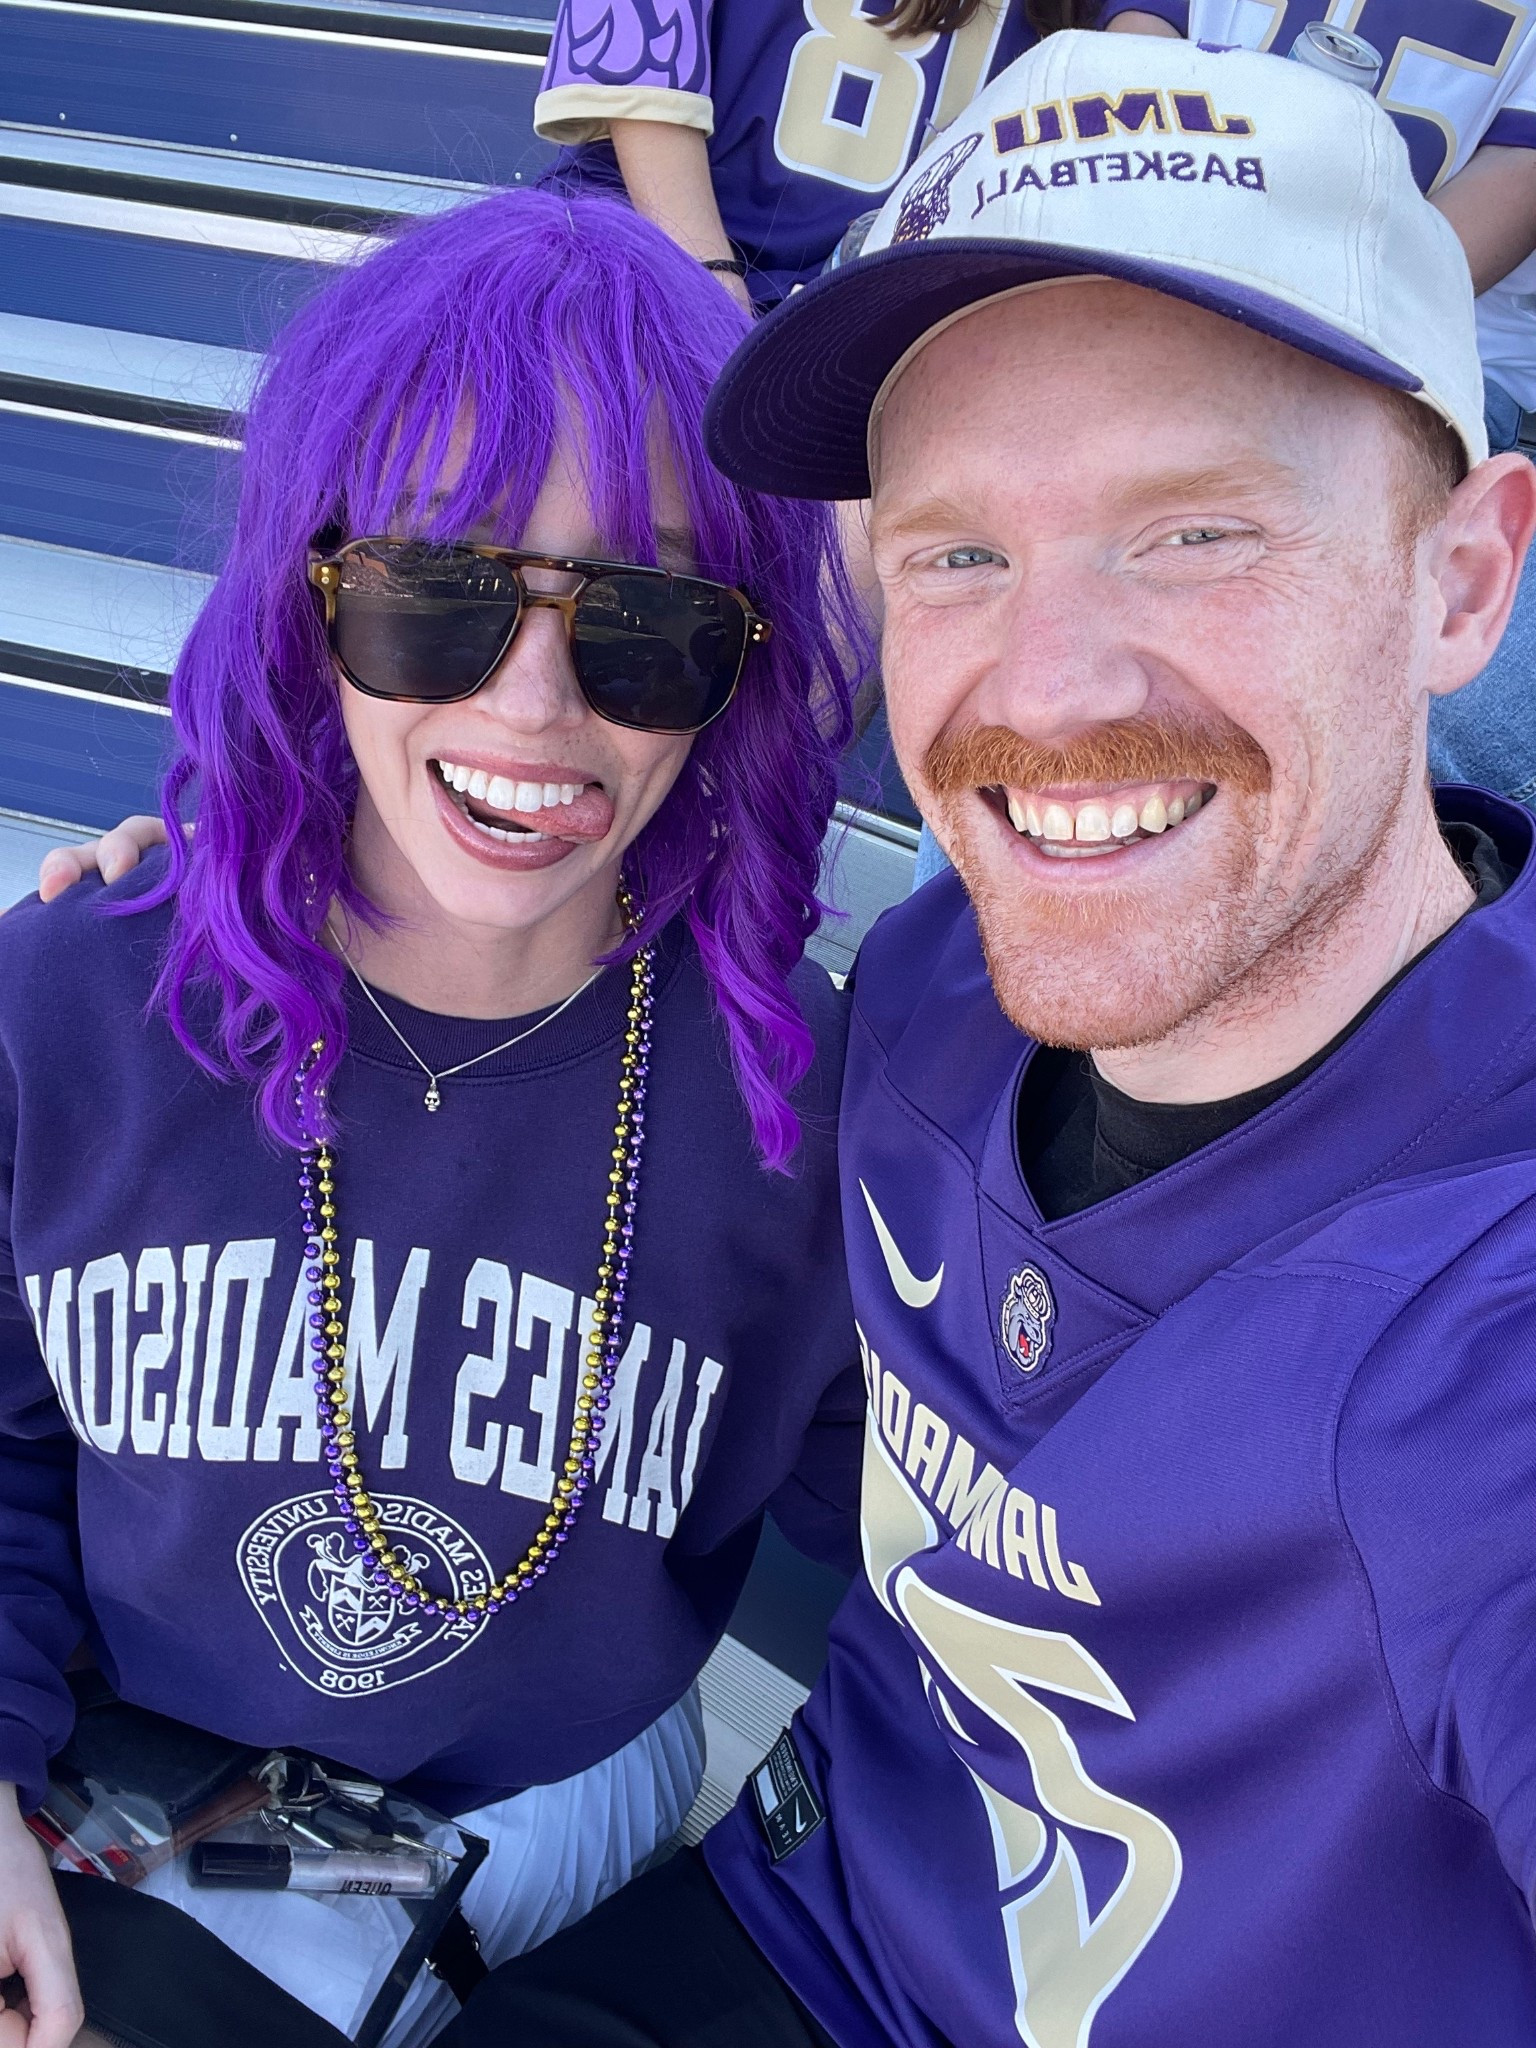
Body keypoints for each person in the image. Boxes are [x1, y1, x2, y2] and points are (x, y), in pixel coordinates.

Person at [443, 32, 1536, 2047]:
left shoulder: (1488, 1318)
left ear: (1461, 578)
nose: (1047, 684)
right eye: (958, 549)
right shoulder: (942, 978)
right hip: (809, 1933)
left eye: (1196, 528)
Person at [0, 186, 870, 2048]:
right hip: (115, 1738)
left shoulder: (801, 1094)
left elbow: (931, 1569)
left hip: (548, 1807)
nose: (535, 703)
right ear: (305, 598)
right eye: (436, 594)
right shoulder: (78, 993)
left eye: (643, 622)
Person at [1109, 1, 1536, 801]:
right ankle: (963, 922)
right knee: (1049, 648)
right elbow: (1116, 92)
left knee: (1385, 703)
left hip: (1429, 379)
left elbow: (1428, 276)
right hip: (1157, 318)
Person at [532, 0, 1108, 311]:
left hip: (893, 308)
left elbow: (1130, 61)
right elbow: (642, 82)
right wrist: (709, 291)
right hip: (644, 250)